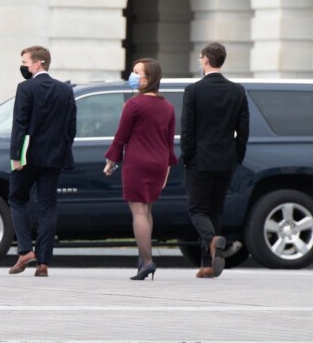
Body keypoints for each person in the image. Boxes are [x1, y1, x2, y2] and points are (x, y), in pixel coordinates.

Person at [103, 58, 177, 281]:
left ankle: (147, 262)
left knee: (138, 212)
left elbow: (121, 137)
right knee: (147, 210)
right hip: (158, 162)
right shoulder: (168, 106)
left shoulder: (133, 105)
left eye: (137, 72)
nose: (132, 75)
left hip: (138, 162)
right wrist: (167, 167)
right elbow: (169, 141)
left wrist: (111, 161)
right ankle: (144, 260)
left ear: (149, 78)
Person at [181, 42, 249, 279]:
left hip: (200, 159)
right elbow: (244, 130)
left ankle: (212, 241)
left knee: (197, 209)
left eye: (201, 58)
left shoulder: (193, 91)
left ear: (206, 60)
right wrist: (237, 156)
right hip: (226, 160)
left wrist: (186, 156)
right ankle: (207, 264)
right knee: (215, 211)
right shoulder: (237, 91)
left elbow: (188, 130)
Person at [8, 45, 76, 277]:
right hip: (55, 157)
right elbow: (71, 127)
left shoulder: (25, 88)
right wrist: (62, 148)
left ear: (38, 64)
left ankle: (25, 250)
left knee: (16, 198)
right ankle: (44, 262)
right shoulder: (65, 90)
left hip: (27, 156)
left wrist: (15, 156)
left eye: (25, 62)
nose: (23, 67)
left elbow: (20, 123)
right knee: (47, 207)